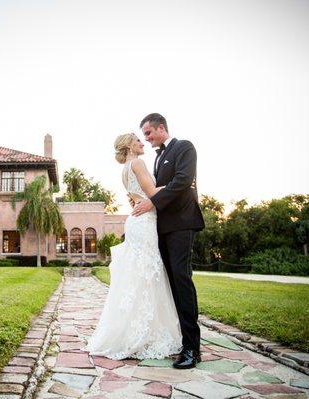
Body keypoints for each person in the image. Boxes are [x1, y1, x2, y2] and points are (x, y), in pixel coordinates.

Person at [83, 133, 183, 360]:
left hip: (139, 219)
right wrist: (181, 184)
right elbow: (153, 193)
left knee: (141, 273)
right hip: (145, 222)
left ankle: (138, 329)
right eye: (138, 140)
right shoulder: (137, 163)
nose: (142, 143)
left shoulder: (126, 168)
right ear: (129, 145)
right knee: (147, 272)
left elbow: (139, 195)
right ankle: (143, 333)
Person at [132, 113, 205, 369]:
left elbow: (183, 182)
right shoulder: (158, 157)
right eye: (144, 136)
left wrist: (151, 201)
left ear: (161, 127)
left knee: (182, 280)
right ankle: (182, 340)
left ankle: (192, 349)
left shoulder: (184, 147)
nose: (147, 139)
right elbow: (157, 188)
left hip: (182, 224)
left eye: (149, 133)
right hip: (162, 227)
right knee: (171, 283)